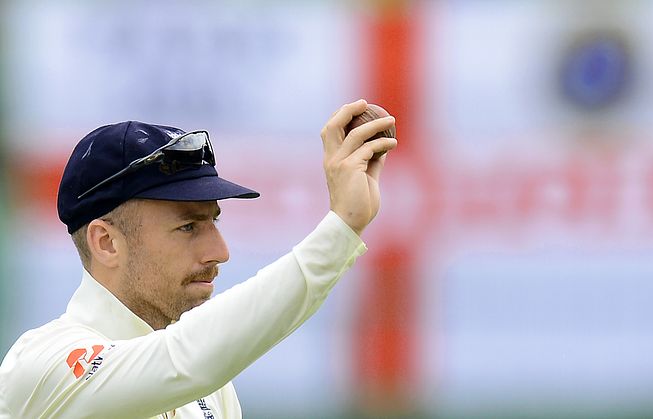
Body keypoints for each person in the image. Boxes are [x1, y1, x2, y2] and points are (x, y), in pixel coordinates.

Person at [0, 99, 397, 418]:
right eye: (188, 227)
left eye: (214, 222)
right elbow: (185, 360)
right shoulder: (44, 363)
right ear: (106, 243)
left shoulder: (213, 393)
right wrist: (341, 227)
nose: (220, 252)